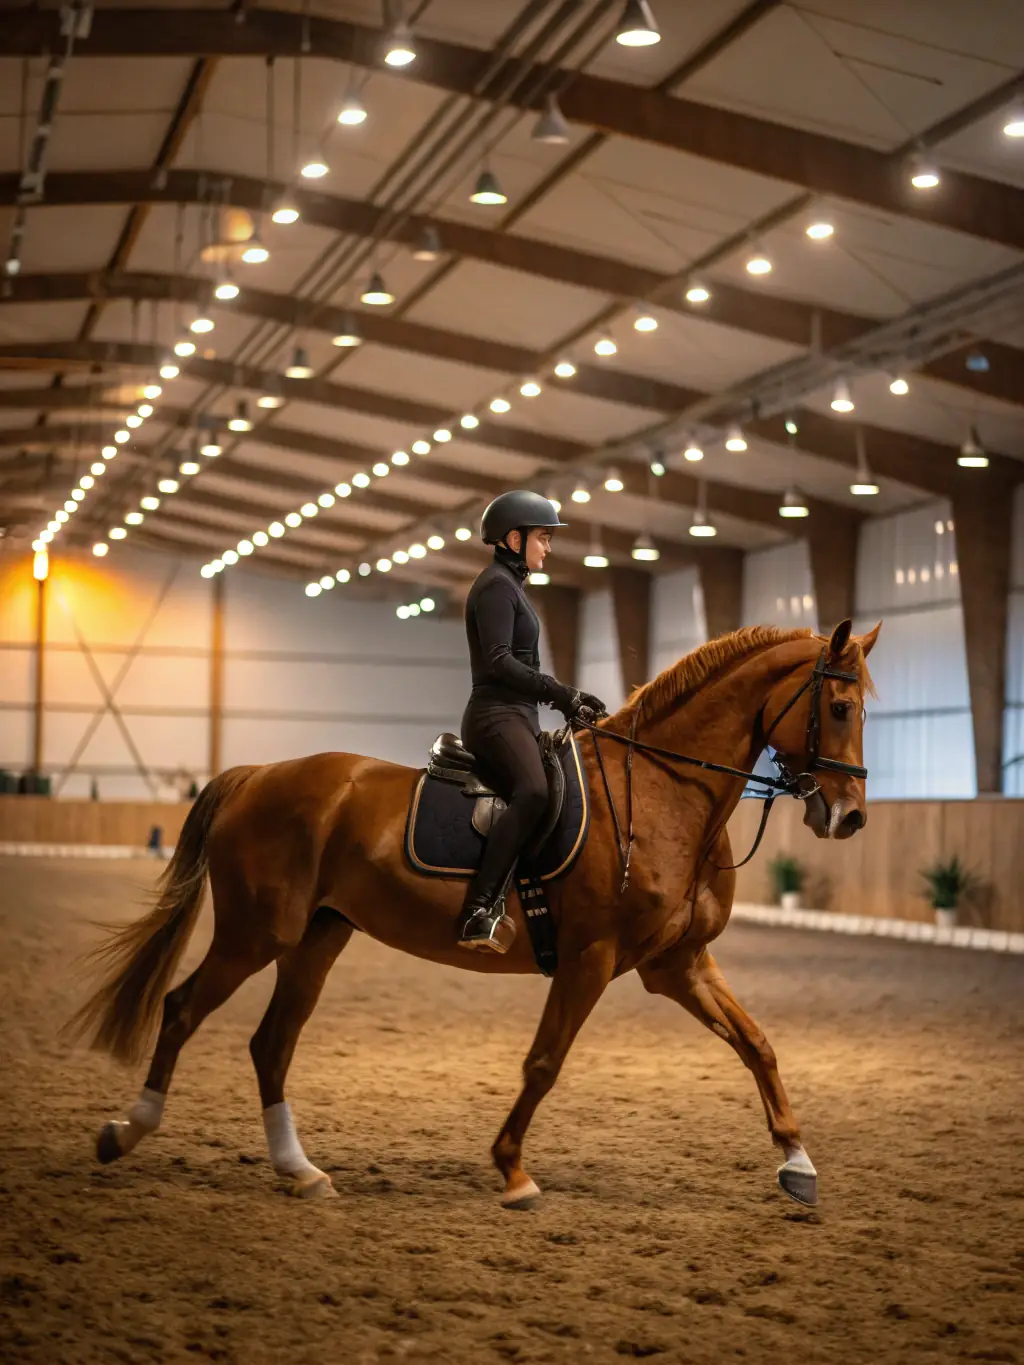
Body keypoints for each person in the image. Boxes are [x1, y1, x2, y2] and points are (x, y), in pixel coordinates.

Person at [457, 490, 606, 954]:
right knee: (535, 791)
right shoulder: (495, 587)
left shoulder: (512, 587)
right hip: (493, 715)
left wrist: (568, 702)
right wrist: (562, 693)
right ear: (514, 538)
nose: (548, 547)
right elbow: (499, 662)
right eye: (543, 538)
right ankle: (479, 909)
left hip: (517, 715)